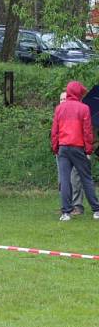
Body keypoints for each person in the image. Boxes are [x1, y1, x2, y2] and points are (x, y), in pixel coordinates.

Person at [51, 81, 99, 222]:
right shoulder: (84, 108)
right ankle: (96, 210)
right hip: (78, 148)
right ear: (78, 93)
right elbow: (87, 132)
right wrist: (88, 150)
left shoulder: (59, 108)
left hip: (63, 148)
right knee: (86, 179)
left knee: (65, 180)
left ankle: (66, 213)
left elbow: (55, 131)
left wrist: (56, 148)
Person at [57, 91, 86, 215]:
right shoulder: (59, 113)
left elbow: (87, 133)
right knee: (62, 179)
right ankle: (66, 206)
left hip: (77, 149)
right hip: (61, 149)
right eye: (61, 99)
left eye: (65, 98)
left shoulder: (80, 113)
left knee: (75, 179)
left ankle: (77, 206)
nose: (63, 101)